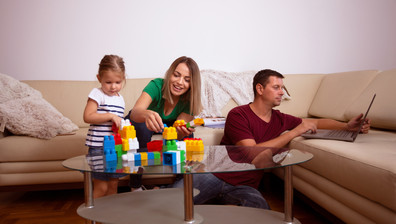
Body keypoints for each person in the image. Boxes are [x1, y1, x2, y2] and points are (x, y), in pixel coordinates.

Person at [172, 69, 371, 209]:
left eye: (282, 87)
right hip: (214, 175)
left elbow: (315, 122)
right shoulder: (238, 114)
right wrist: (293, 133)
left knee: (260, 209)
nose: (281, 92)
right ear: (260, 89)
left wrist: (346, 126)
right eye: (276, 87)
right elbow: (252, 151)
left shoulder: (280, 118)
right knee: (170, 203)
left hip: (245, 186)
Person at [126, 56, 202, 191]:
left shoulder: (190, 100)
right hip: (142, 119)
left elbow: (176, 134)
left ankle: (176, 187)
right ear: (170, 74)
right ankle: (135, 186)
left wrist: (180, 134)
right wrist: (148, 114)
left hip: (166, 125)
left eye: (187, 80)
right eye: (176, 75)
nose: (179, 82)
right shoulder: (156, 85)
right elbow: (135, 112)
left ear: (192, 84)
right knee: (141, 129)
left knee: (187, 138)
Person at [83, 54, 127, 198]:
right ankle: (94, 218)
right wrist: (110, 116)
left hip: (115, 148)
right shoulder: (97, 94)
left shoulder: (120, 100)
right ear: (99, 78)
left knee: (114, 185)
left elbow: (118, 125)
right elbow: (88, 116)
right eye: (108, 82)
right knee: (101, 186)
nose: (113, 86)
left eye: (118, 82)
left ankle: (109, 216)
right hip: (98, 148)